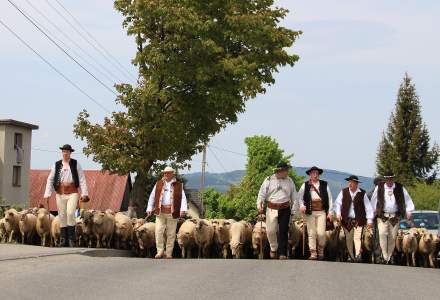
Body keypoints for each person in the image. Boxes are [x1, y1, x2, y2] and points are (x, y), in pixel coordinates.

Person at [44, 144, 89, 247]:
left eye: (67, 152)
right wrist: (47, 193)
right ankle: (63, 240)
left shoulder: (76, 164)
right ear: (62, 152)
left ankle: (71, 239)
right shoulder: (56, 164)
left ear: (70, 153)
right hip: (60, 193)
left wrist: (84, 193)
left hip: (73, 192)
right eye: (64, 151)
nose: (65, 153)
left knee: (70, 213)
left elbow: (82, 179)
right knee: (62, 215)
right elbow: (50, 179)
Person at [370, 172, 415, 264]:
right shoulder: (380, 187)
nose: (389, 181)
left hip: (395, 216)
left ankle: (388, 257)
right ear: (385, 179)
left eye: (391, 179)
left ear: (393, 179)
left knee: (392, 237)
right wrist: (372, 213)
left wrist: (409, 211)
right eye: (387, 179)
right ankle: (385, 256)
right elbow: (373, 200)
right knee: (382, 234)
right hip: (382, 216)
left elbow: (408, 199)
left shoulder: (399, 187)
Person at [257, 162, 297, 260]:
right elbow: (261, 194)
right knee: (270, 231)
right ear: (280, 171)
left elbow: (294, 196)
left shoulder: (289, 181)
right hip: (271, 208)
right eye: (286, 170)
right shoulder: (269, 180)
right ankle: (273, 248)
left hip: (285, 208)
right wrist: (259, 205)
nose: (287, 172)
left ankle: (283, 253)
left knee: (284, 231)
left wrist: (294, 210)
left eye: (287, 170)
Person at [146, 166, 188, 259]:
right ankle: (160, 251)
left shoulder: (179, 185)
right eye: (165, 173)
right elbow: (152, 196)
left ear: (172, 173)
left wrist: (183, 209)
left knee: (171, 233)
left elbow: (183, 198)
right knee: (158, 231)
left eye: (168, 173)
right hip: (160, 212)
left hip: (173, 212)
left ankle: (168, 253)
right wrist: (149, 208)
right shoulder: (158, 184)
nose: (166, 174)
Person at [334, 175, 373, 262]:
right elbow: (338, 204)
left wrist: (369, 220)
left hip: (359, 220)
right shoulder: (343, 192)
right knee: (348, 238)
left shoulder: (362, 193)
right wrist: (338, 213)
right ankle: (350, 256)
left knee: (357, 237)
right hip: (346, 220)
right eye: (349, 182)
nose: (350, 184)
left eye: (352, 182)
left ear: (356, 184)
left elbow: (368, 207)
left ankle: (358, 255)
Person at [297, 166, 333, 260]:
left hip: (322, 212)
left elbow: (330, 199)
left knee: (321, 233)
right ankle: (313, 252)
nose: (315, 175)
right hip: (310, 212)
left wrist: (330, 212)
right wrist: (301, 205)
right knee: (311, 232)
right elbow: (299, 197)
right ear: (310, 174)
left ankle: (321, 251)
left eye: (317, 173)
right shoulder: (305, 185)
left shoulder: (325, 185)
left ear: (319, 174)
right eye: (313, 173)